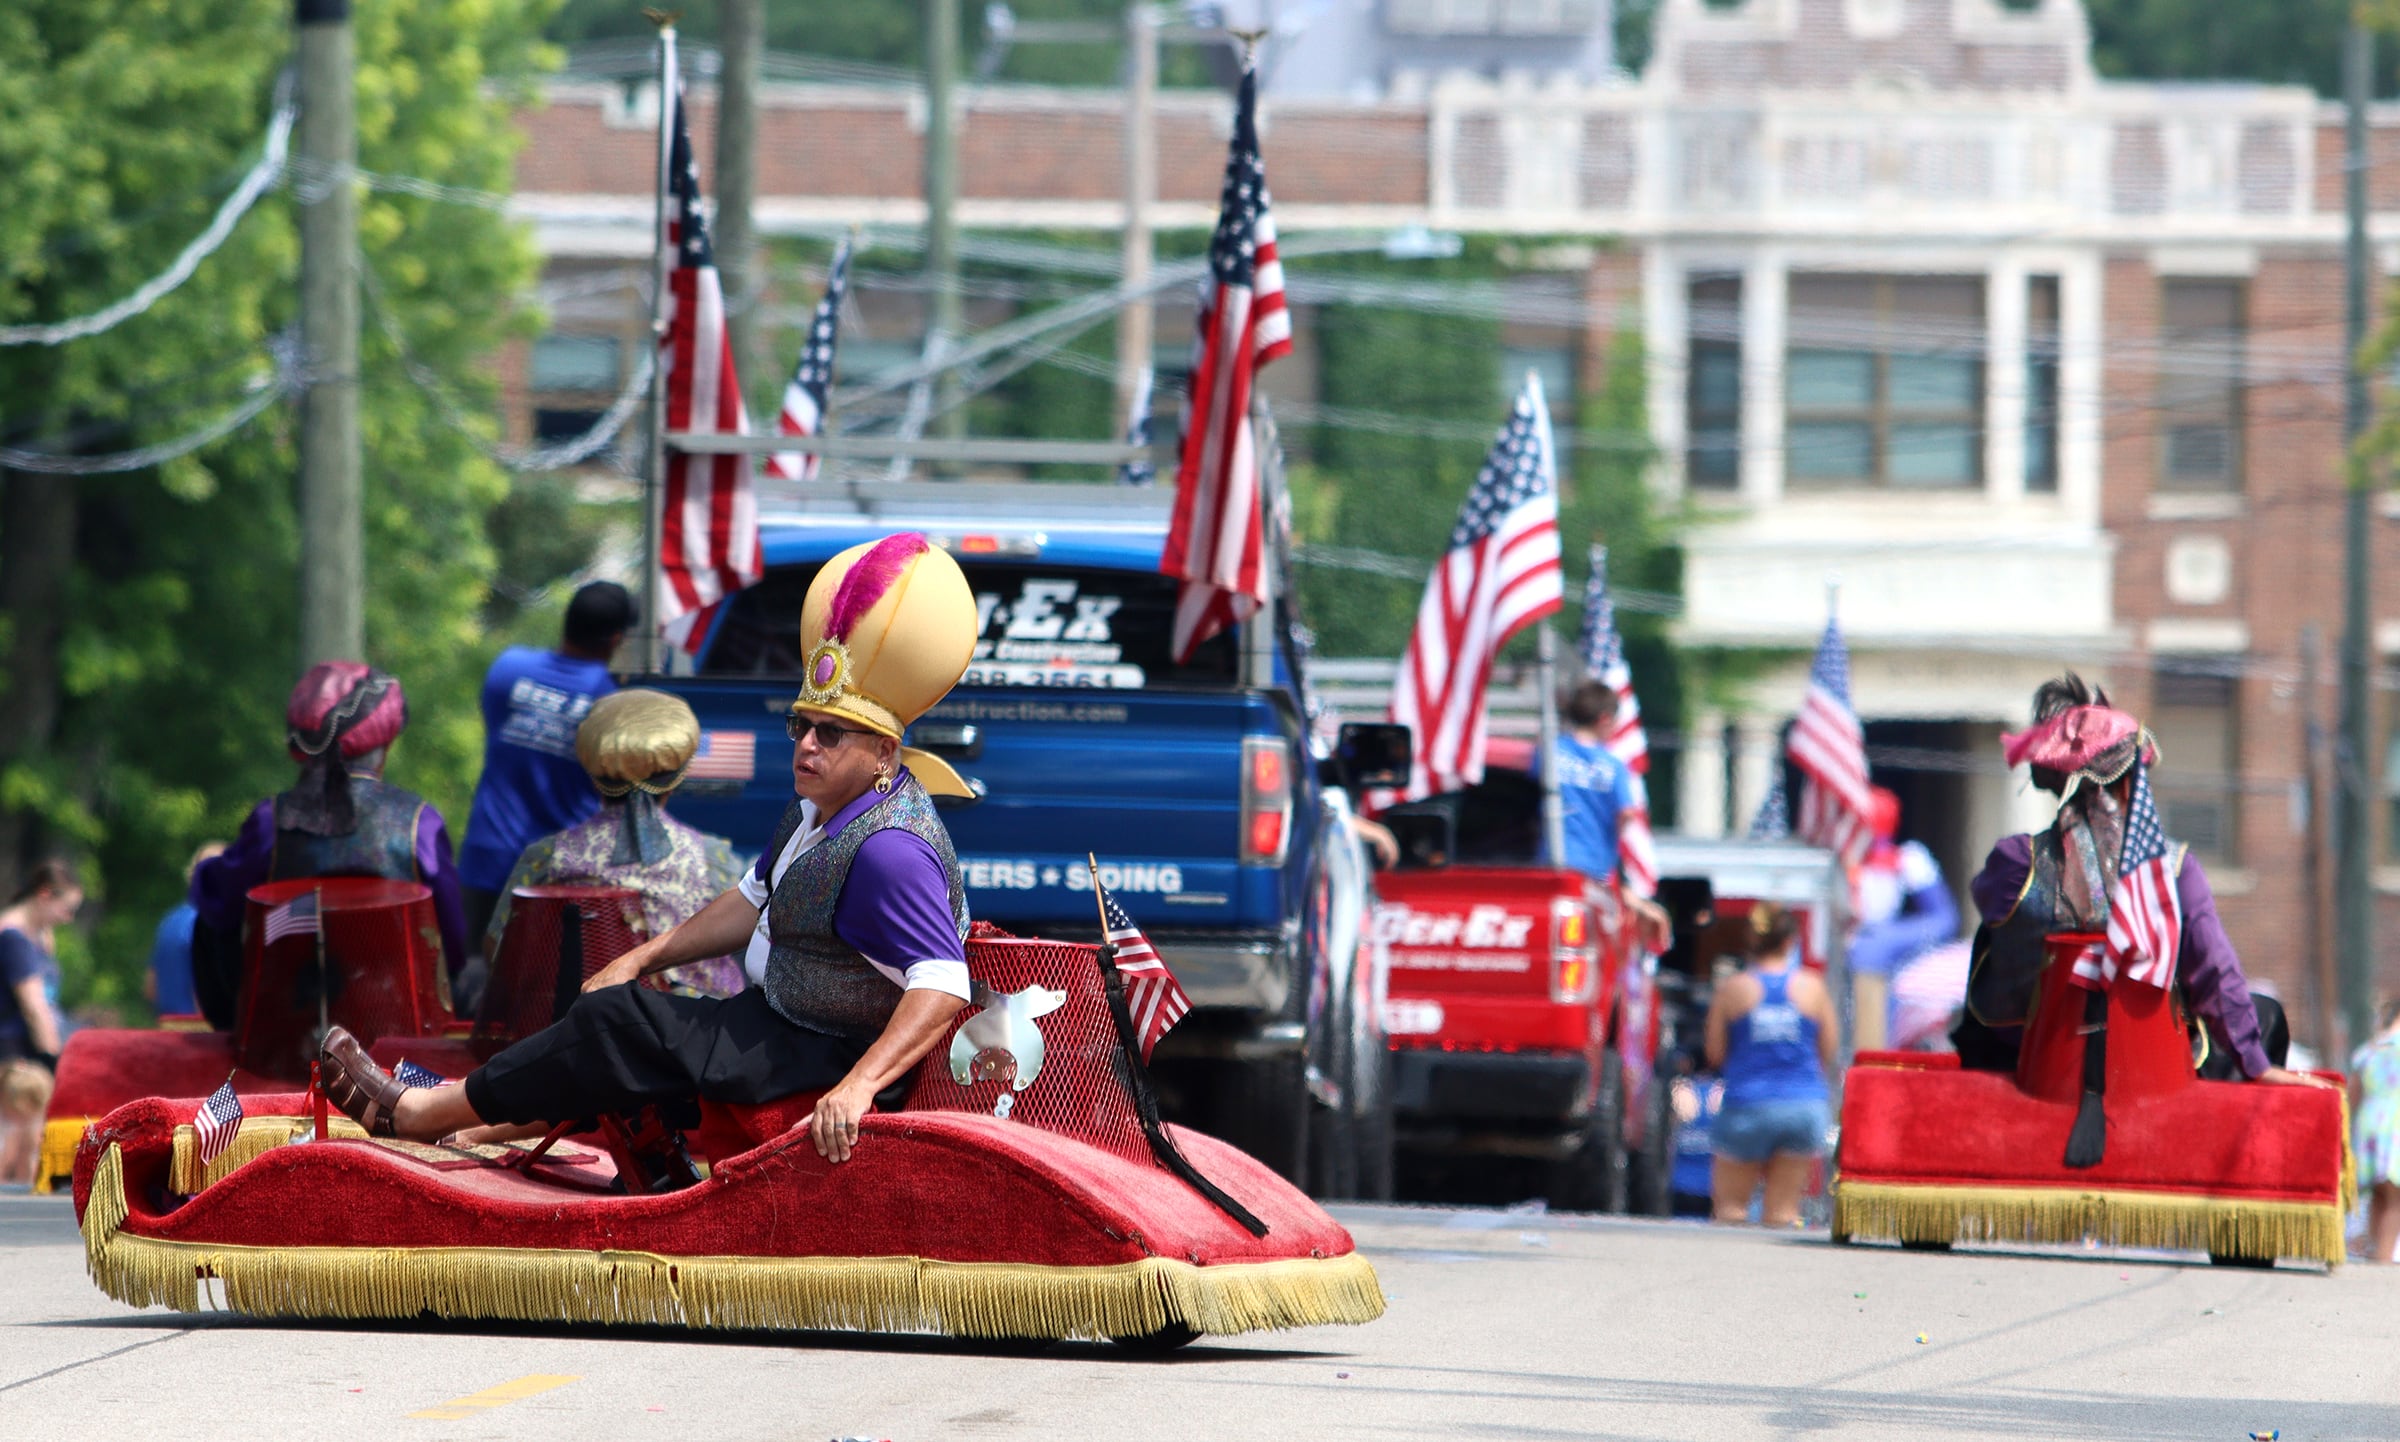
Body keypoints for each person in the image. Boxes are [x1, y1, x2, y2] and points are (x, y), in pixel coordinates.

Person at [317, 533, 981, 1166]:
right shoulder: (819, 808)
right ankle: (467, 1121)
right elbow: (751, 900)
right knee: (621, 1024)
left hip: (824, 1051)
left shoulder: (890, 849)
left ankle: (413, 1113)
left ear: (884, 753)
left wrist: (860, 1086)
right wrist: (637, 959)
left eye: (833, 734)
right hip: (782, 1025)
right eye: (802, 726)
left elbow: (943, 983)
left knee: (617, 1025)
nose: (808, 745)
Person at [1954, 674, 2313, 1088]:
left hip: (2033, 1060)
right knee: (2262, 1013)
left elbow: (1986, 899)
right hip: (2149, 1064)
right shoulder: (2176, 870)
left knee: (1990, 938)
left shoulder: (2014, 862)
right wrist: (2256, 1062)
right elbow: (2215, 972)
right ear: (2129, 784)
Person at [188, 663, 470, 1028]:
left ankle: (238, 1031)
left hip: (289, 1033)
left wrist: (207, 873)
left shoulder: (270, 822)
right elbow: (453, 938)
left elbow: (218, 902)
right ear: (384, 747)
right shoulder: (420, 823)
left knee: (209, 918)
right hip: (397, 1030)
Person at [482, 689, 748, 998]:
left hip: (573, 1028)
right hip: (687, 1038)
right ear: (678, 775)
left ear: (595, 773)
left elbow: (498, 949)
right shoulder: (712, 858)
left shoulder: (546, 858)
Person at [457, 582, 635, 960]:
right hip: (558, 873)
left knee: (473, 988)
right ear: (616, 638)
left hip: (486, 857)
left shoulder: (508, 668)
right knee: (541, 990)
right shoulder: (609, 701)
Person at [1704, 903, 1836, 1226]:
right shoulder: (1813, 987)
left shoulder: (1733, 989)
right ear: (1790, 941)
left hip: (1747, 1106)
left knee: (1730, 1209)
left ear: (1752, 939)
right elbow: (1829, 1051)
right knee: (1783, 1213)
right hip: (1802, 1107)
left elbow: (1714, 1053)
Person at [1551, 681, 1671, 949]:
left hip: (1546, 863)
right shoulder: (1613, 766)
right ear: (1604, 719)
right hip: (1592, 870)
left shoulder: (1550, 753)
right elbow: (1627, 813)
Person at [1848, 787, 1959, 1051]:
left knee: (1871, 951)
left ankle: (1875, 1047)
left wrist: (1887, 938)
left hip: (1885, 942)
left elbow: (1944, 918)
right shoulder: (1840, 858)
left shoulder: (1909, 857)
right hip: (1848, 940)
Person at [0, 861, 83, 1071]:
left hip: (29, 1048)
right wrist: (52, 1060)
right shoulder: (13, 938)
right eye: (67, 910)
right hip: (15, 1056)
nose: (68, 919)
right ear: (45, 895)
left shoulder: (41, 934)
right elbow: (34, 1008)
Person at [146, 843, 224, 1018]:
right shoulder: (212, 923)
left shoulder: (169, 921)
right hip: (198, 1034)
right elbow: (207, 993)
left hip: (167, 1029)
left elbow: (150, 989)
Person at [2351, 1000, 2400, 1263]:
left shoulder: (2370, 1050)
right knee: (2395, 1199)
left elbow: (2353, 1093)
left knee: (2379, 1194)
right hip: (2395, 1126)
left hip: (2369, 1124)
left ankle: (2374, 1250)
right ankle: (2383, 1257)